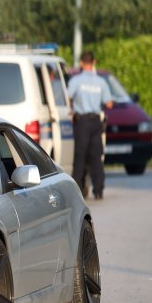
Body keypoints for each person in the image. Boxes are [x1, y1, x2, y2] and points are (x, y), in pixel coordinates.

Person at [67, 51, 113, 199]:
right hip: (96, 122)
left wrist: (73, 109)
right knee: (96, 157)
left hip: (82, 122)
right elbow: (109, 104)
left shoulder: (76, 81)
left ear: (81, 63)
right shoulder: (101, 82)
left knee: (80, 157)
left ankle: (78, 191)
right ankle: (98, 190)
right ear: (94, 62)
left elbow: (68, 97)